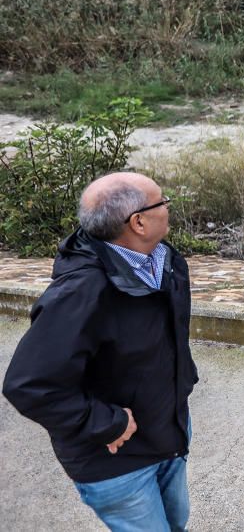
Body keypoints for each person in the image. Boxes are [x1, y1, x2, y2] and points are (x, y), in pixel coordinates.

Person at [3, 172, 198, 532]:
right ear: (138, 222)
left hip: (167, 436)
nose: (168, 206)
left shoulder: (165, 260)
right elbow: (27, 385)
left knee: (177, 525)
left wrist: (182, 387)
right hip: (116, 461)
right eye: (162, 201)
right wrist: (108, 424)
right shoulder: (79, 293)